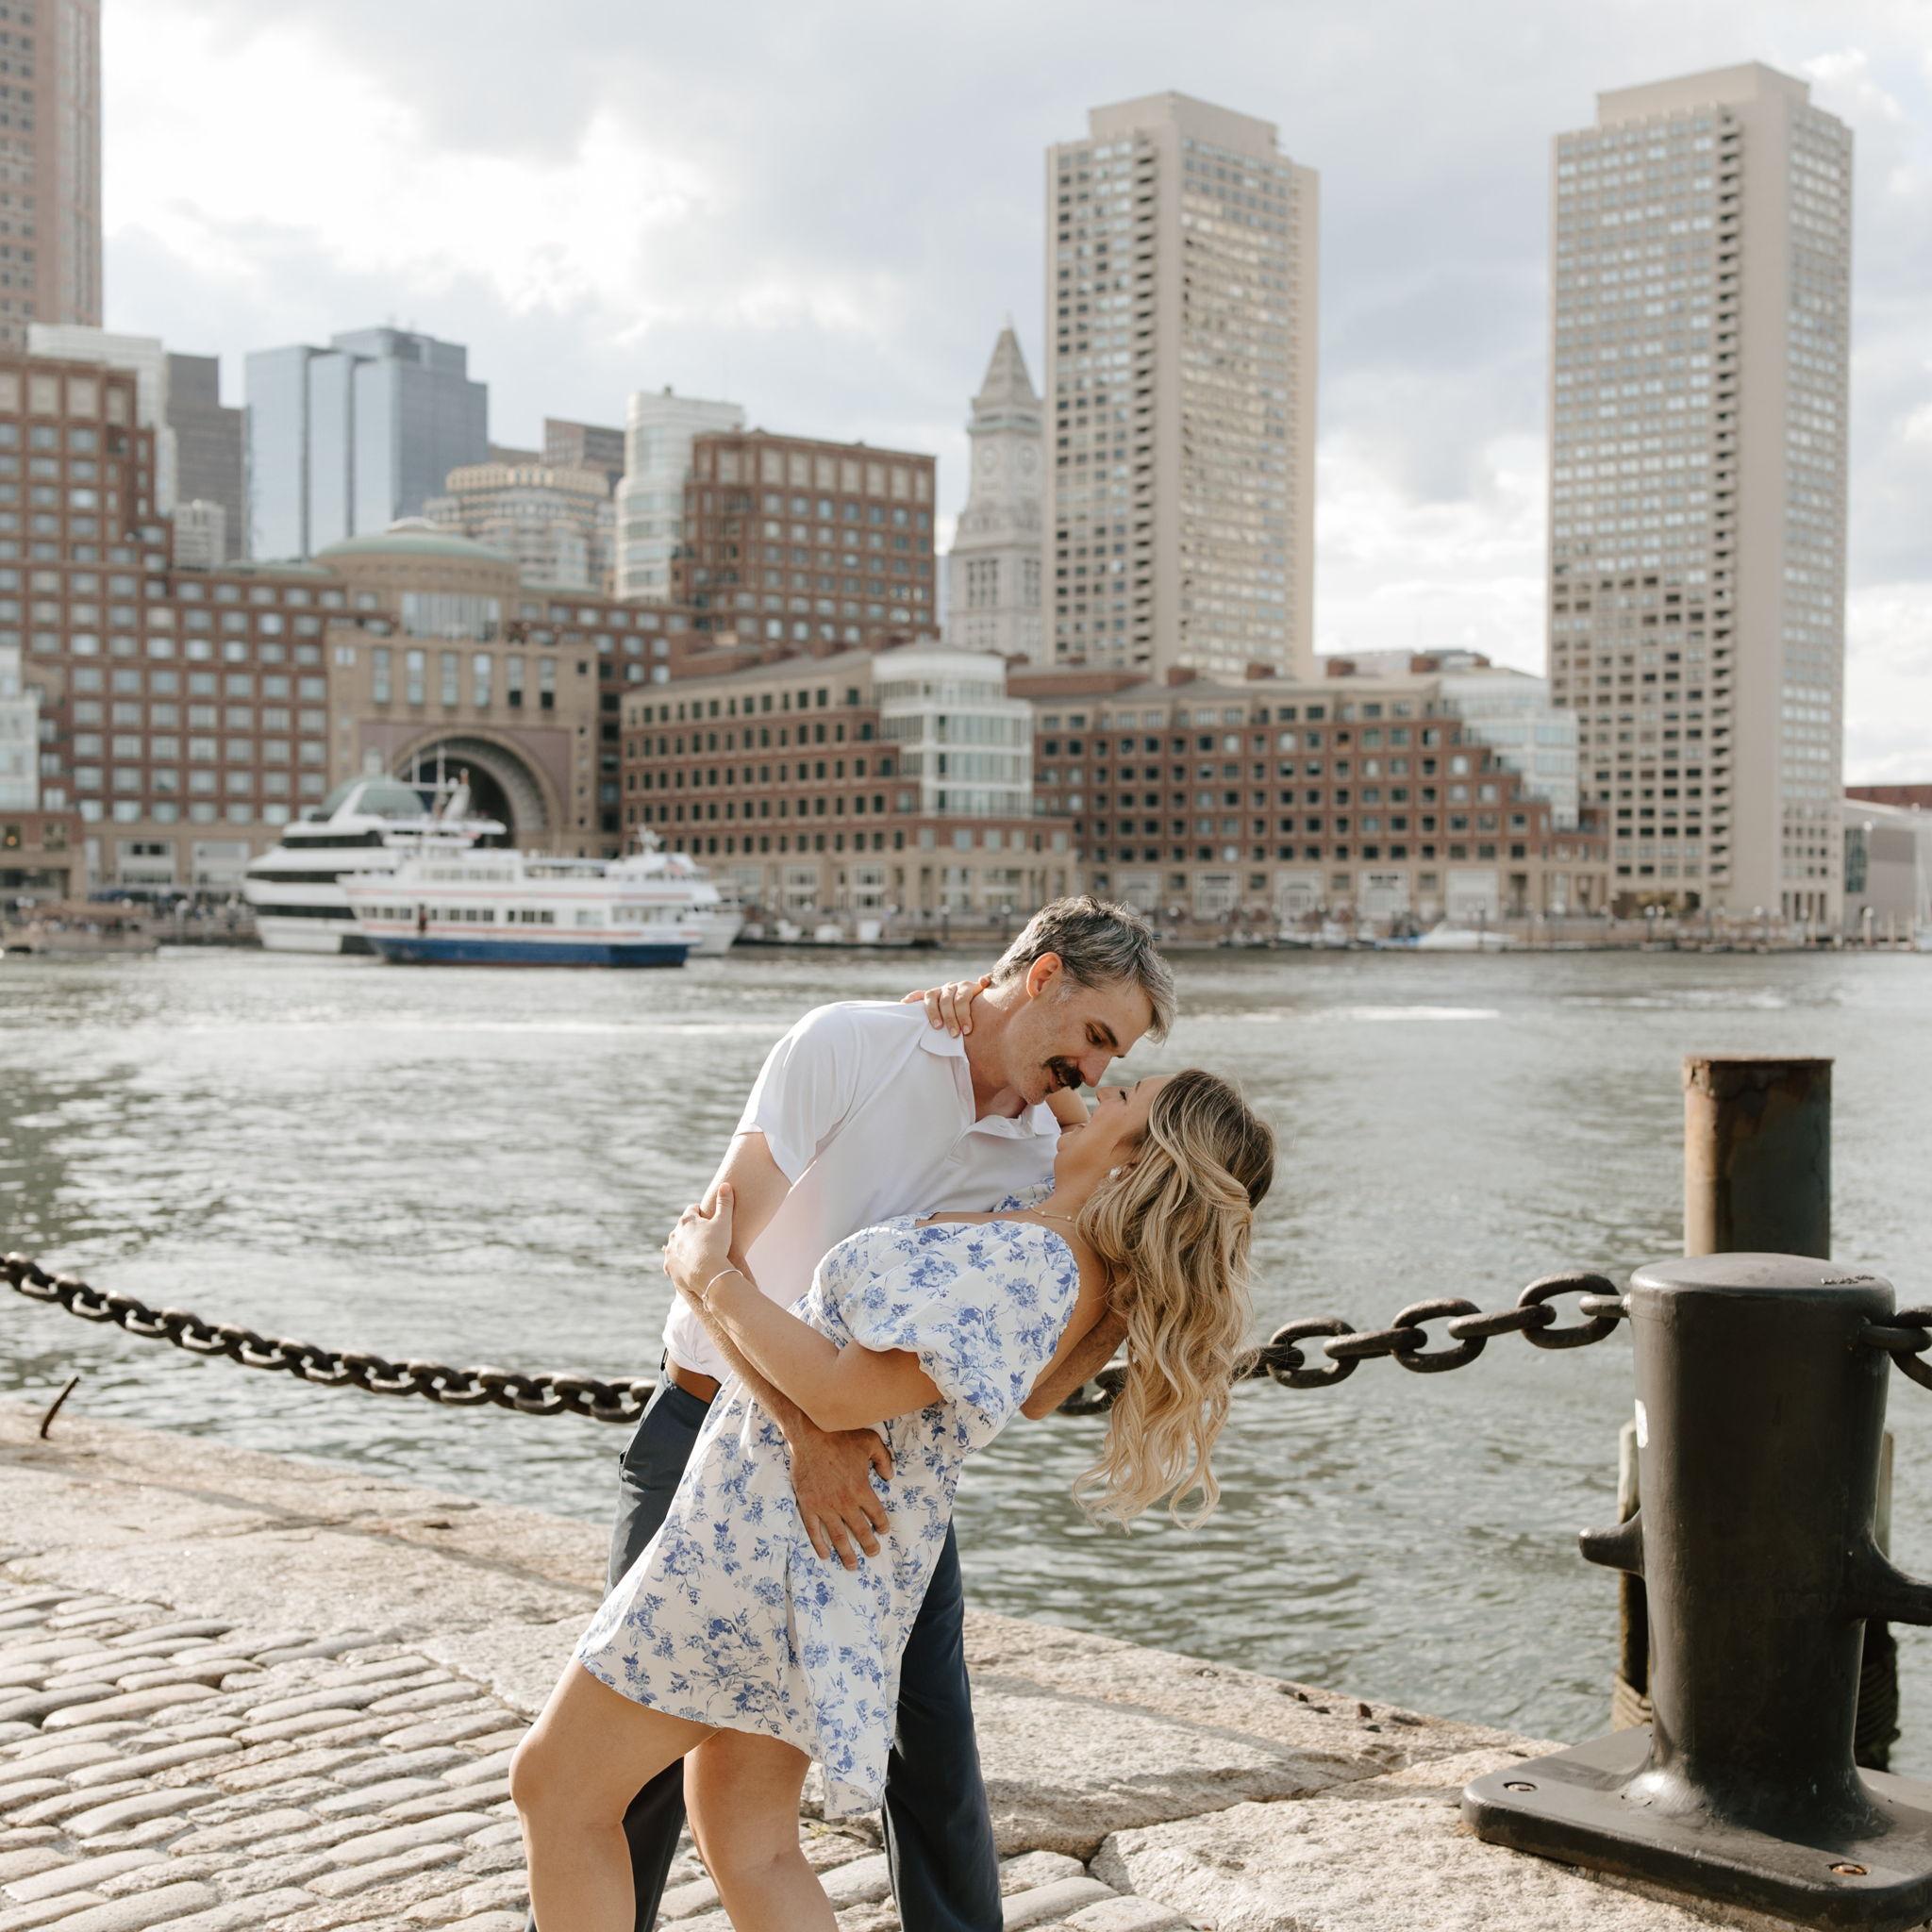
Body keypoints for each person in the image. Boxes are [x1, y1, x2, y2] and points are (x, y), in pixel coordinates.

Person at [524, 897, 1177, 1932]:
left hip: (877, 1485)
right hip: (718, 1429)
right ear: (1044, 975)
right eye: (1095, 1037)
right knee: (657, 1789)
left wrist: (1129, 1265)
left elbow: (1037, 1363)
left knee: (925, 1758)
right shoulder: (851, 1046)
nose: (1094, 1073)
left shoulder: (1050, 1159)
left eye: (1115, 1062)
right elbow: (718, 1245)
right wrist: (808, 1434)